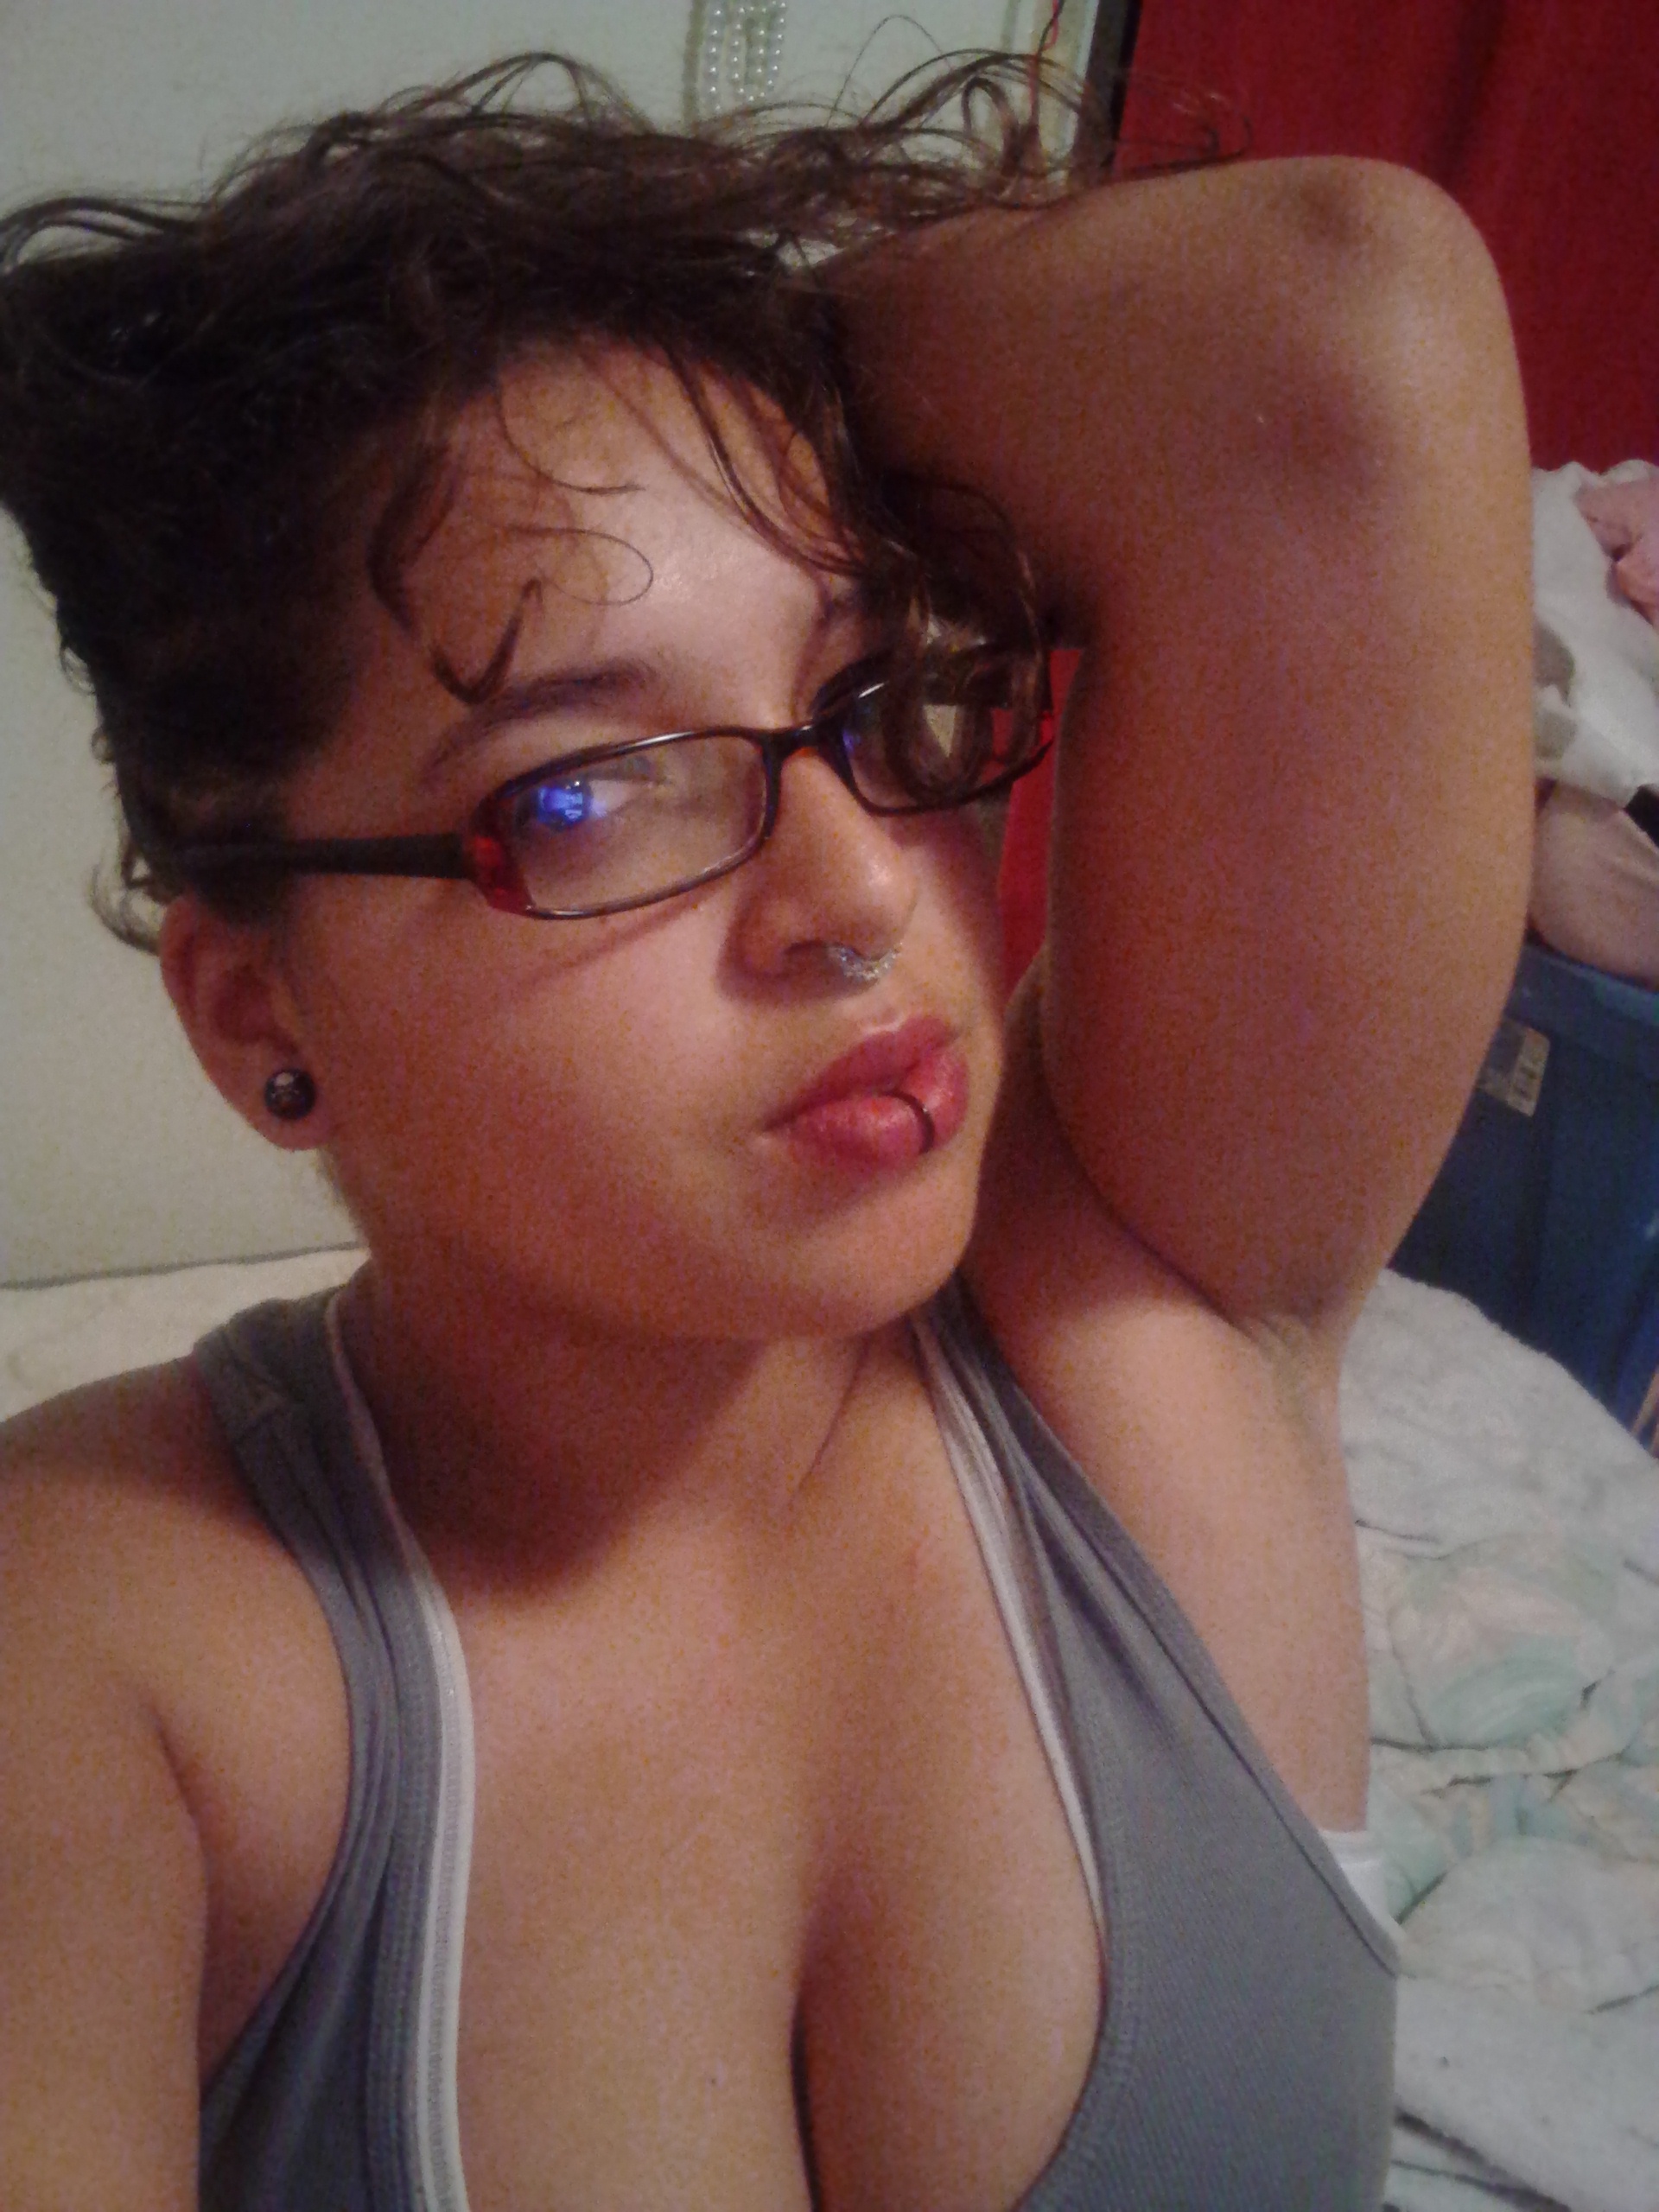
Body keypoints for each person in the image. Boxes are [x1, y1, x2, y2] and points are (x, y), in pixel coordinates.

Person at [0, 52, 1531, 2212]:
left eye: (868, 695)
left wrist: (685, 340)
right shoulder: (107, 1634)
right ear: (265, 1013)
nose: (860, 887)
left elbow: (1331, 327)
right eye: (585, 791)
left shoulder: (1141, 1313)